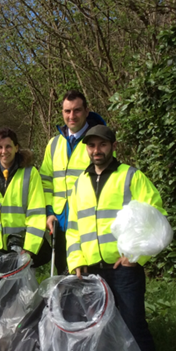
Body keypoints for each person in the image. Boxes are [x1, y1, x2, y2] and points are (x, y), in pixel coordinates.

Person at [66, 125, 166, 351]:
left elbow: (156, 218)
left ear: (112, 145)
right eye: (91, 146)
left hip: (124, 269)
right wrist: (76, 260)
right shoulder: (80, 183)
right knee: (98, 330)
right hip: (91, 271)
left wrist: (137, 255)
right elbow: (72, 227)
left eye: (102, 145)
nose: (96, 150)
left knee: (134, 326)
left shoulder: (130, 177)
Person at [39, 90, 107, 274]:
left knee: (87, 278)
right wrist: (49, 213)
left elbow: (108, 184)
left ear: (86, 111)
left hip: (88, 223)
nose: (71, 116)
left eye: (77, 110)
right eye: (67, 111)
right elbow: (45, 182)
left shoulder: (99, 144)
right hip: (59, 222)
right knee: (63, 276)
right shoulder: (53, 144)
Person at [0, 127, 49, 265]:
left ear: (16, 147)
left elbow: (36, 214)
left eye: (8, 146)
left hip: (21, 248)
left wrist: (29, 249)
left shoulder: (30, 174)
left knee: (23, 287)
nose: (4, 151)